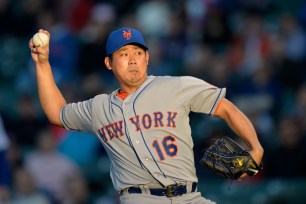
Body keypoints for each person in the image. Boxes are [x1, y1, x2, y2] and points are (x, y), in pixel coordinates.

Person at [29, 27, 264, 204]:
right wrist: (42, 64)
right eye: (123, 53)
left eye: (138, 52)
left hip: (190, 197)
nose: (132, 59)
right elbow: (57, 113)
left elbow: (226, 109)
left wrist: (256, 148)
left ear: (147, 58)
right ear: (108, 63)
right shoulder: (98, 108)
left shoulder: (177, 86)